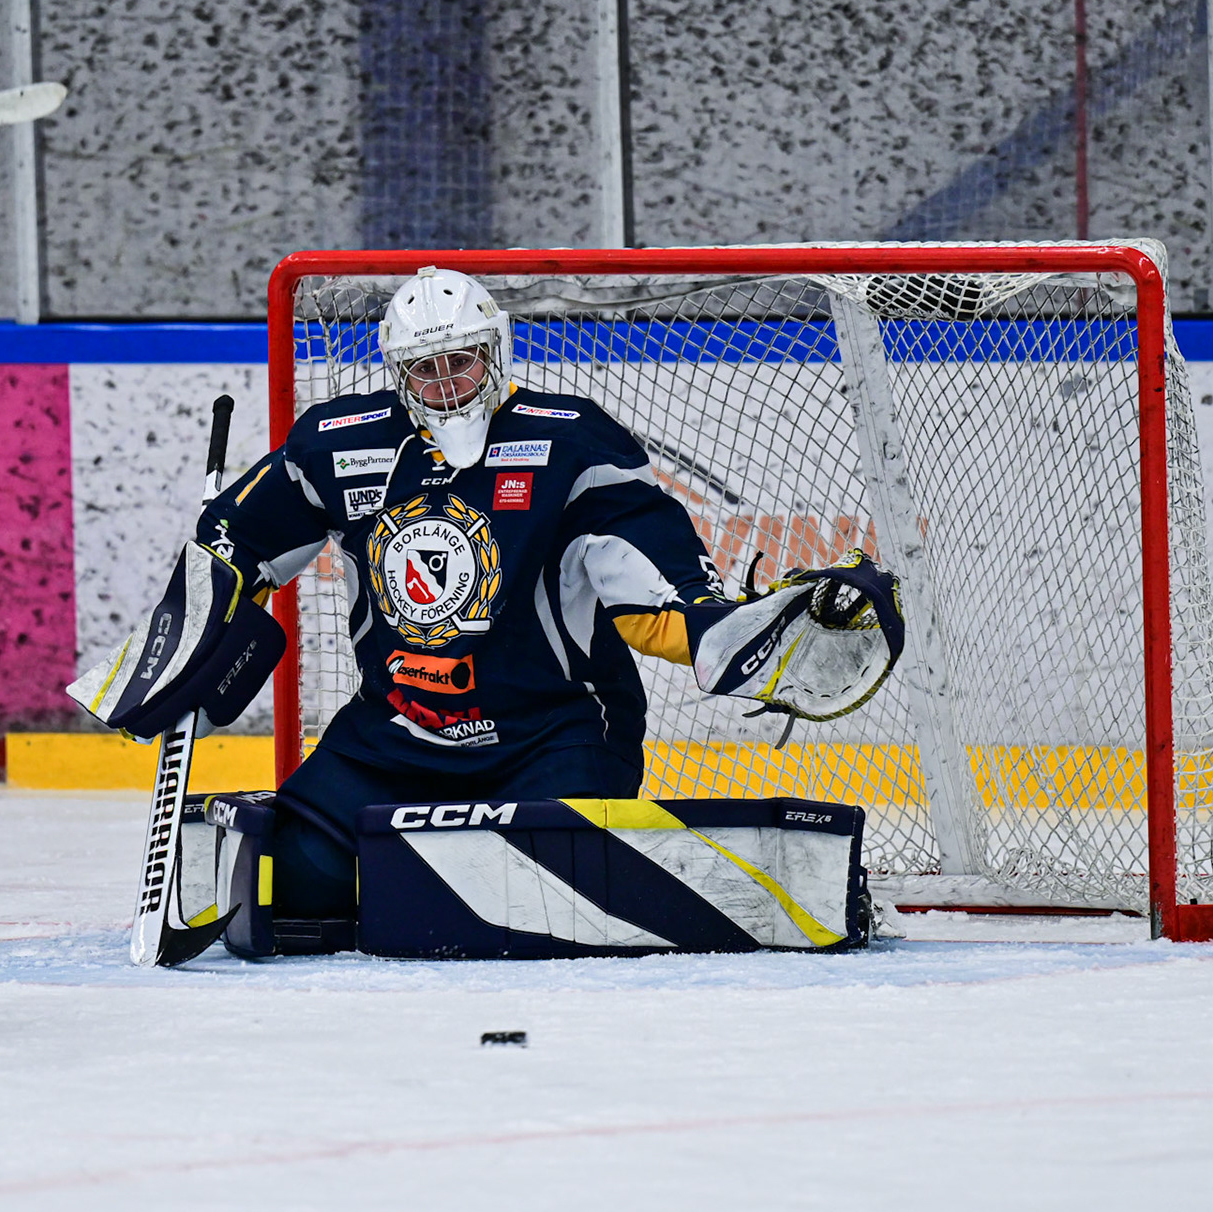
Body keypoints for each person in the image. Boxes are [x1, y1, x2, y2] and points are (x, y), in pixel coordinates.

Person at [75, 266, 903, 931]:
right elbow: (238, 539)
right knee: (289, 887)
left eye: (462, 360)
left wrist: (724, 631)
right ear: (397, 371)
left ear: (495, 352)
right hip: (392, 738)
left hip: (554, 737)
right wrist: (199, 612)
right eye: (424, 368)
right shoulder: (338, 444)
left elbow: (657, 587)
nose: (446, 383)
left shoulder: (572, 441)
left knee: (529, 898)